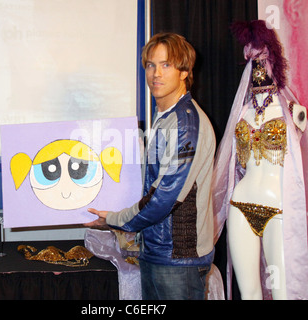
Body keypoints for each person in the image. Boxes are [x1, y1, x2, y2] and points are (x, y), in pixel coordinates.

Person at [85, 32, 216, 300]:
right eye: (150, 65)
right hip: (160, 253)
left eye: (166, 64)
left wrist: (115, 219)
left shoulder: (185, 124)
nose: (156, 73)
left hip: (178, 260)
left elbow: (163, 199)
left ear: (184, 72)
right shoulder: (165, 116)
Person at [212, 20, 308, 300]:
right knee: (250, 292)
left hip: (279, 209)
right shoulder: (241, 114)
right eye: (251, 59)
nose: (257, 66)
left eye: (262, 58)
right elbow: (230, 166)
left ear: (273, 59)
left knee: (282, 292)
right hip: (241, 206)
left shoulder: (294, 112)